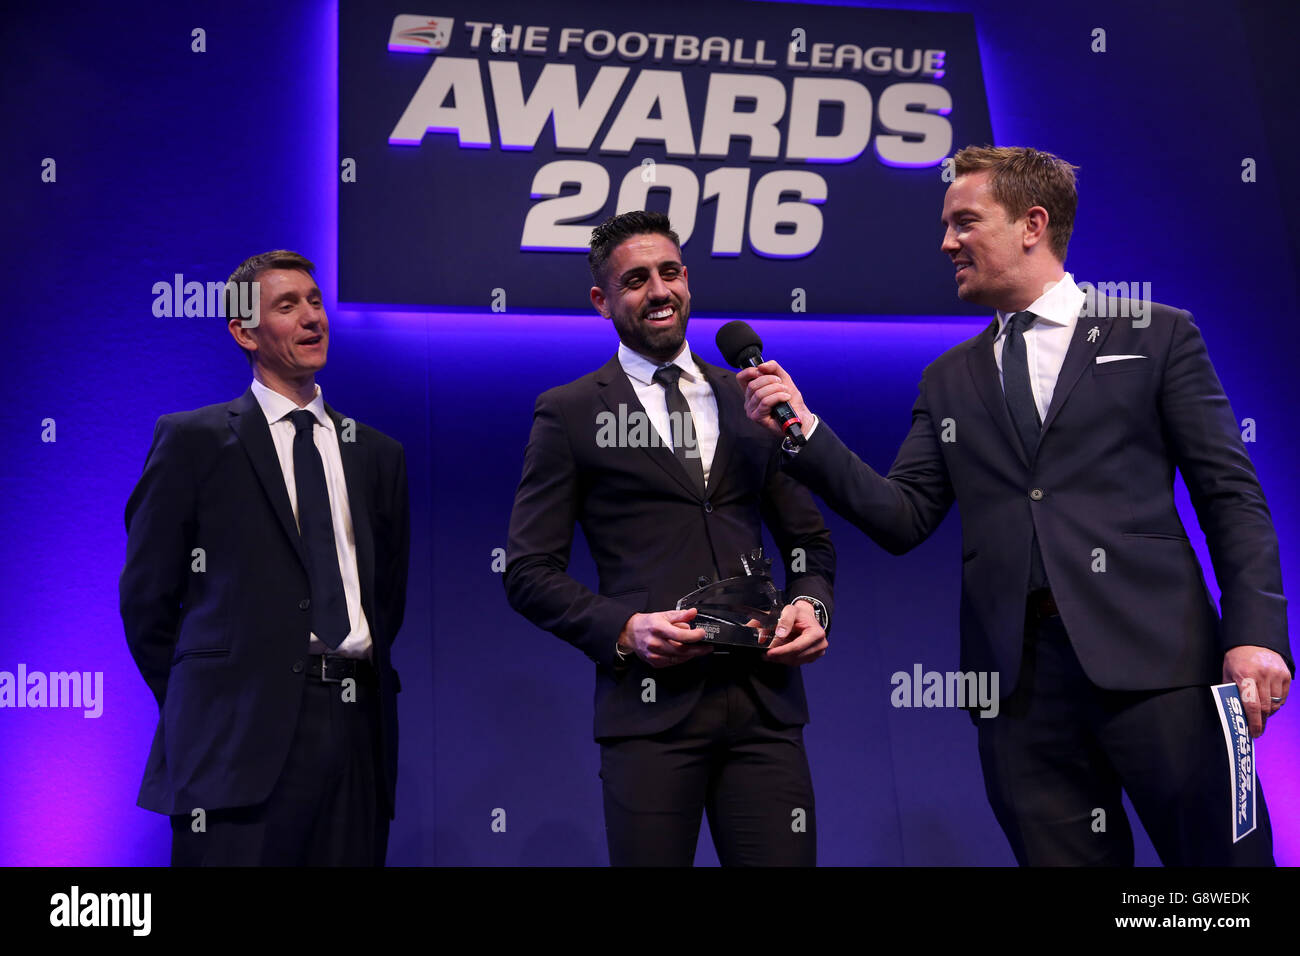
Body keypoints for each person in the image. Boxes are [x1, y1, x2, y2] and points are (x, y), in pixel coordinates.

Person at [738, 146, 1291, 866]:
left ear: (1032, 224)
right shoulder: (948, 378)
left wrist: (1256, 634)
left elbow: (1231, 495)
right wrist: (805, 432)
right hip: (1018, 693)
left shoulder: (1156, 334)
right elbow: (902, 515)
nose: (947, 243)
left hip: (1167, 671)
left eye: (964, 222)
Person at [504, 211, 836, 866]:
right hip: (650, 716)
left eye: (670, 272)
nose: (658, 290)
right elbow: (527, 571)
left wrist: (812, 605)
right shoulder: (569, 412)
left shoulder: (750, 397)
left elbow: (810, 545)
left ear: (688, 279)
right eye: (635, 279)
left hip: (764, 710)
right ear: (602, 300)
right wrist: (626, 629)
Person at [120, 250, 409, 865]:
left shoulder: (377, 454)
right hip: (233, 741)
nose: (312, 318)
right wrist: (209, 697)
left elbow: (386, 600)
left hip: (356, 731)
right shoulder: (194, 441)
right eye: (287, 306)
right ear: (244, 331)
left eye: (314, 301)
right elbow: (146, 600)